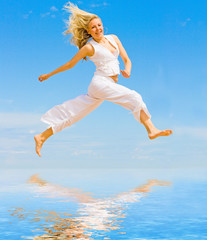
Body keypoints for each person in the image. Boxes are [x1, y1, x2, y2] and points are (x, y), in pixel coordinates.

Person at [35, 2, 173, 157]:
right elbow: (70, 64)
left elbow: (127, 59)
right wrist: (48, 75)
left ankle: (42, 136)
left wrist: (127, 71)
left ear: (103, 25)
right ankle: (152, 130)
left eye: (99, 25)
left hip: (105, 86)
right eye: (93, 27)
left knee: (75, 114)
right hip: (100, 83)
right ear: (88, 31)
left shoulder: (113, 38)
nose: (97, 29)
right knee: (134, 97)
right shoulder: (89, 47)